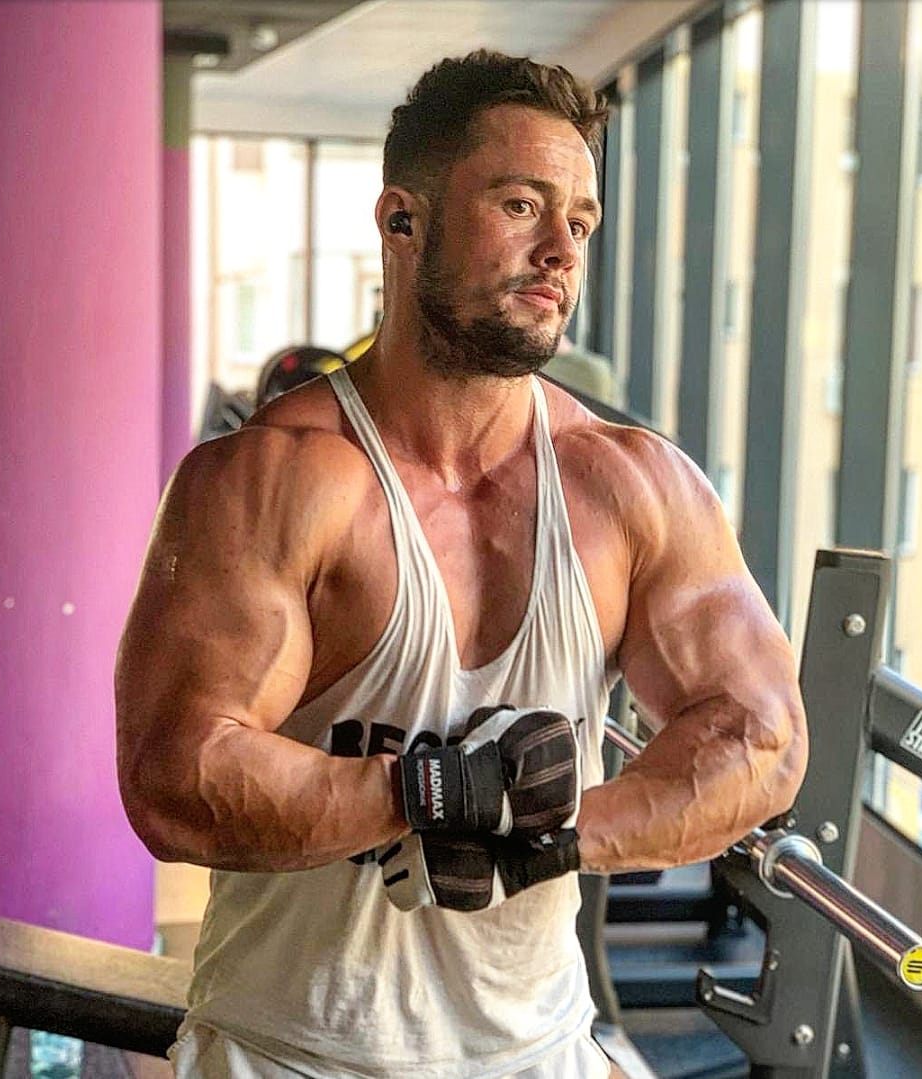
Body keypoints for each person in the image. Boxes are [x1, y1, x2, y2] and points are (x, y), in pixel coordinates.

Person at [115, 50, 808, 1079]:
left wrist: (559, 832)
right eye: (521, 205)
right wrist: (434, 791)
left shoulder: (632, 486)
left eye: (580, 222)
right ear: (403, 221)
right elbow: (178, 776)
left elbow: (761, 738)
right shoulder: (272, 478)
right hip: (290, 1050)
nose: (559, 250)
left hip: (538, 1049)